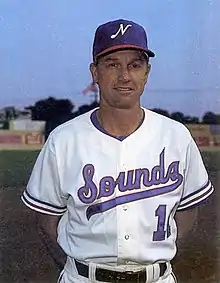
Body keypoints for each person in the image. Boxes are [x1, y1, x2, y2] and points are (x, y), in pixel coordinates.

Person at [21, 18, 214, 283]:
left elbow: (188, 209)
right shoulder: (63, 140)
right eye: (112, 65)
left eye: (135, 65)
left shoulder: (176, 136)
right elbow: (45, 220)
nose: (124, 76)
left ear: (147, 72)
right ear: (95, 72)